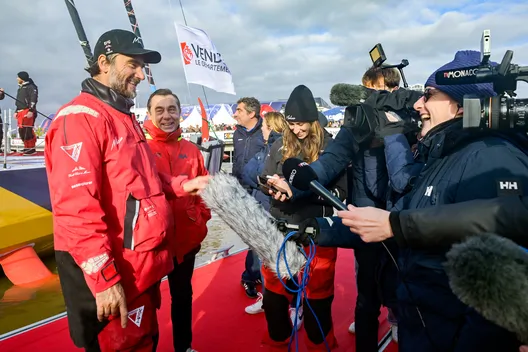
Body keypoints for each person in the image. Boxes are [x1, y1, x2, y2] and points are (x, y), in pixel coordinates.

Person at [337, 50, 528, 351]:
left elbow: (495, 303)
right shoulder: (442, 154)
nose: (417, 105)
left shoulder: (490, 158)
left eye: (428, 95)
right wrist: (323, 228)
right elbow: (409, 216)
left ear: (465, 106)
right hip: (425, 326)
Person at [45, 29, 209, 352]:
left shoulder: (122, 116)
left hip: (139, 271)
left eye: (141, 66)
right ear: (103, 63)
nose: (140, 73)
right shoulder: (80, 118)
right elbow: (76, 211)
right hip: (113, 276)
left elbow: (142, 179)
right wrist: (105, 279)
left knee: (144, 342)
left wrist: (181, 185)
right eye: (133, 64)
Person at [260, 85, 346, 350]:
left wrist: (297, 191)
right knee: (273, 296)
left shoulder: (331, 148)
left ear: (313, 120)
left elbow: (341, 193)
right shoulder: (279, 144)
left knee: (317, 298)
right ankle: (279, 338)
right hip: (278, 228)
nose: (296, 129)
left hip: (316, 232)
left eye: (301, 124)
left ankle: (320, 344)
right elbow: (263, 177)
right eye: (291, 124)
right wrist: (272, 185)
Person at [143, 88, 211, 352]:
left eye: (172, 109)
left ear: (180, 113)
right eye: (159, 110)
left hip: (186, 240)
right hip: (152, 244)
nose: (166, 116)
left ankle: (184, 347)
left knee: (182, 296)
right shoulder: (141, 149)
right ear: (149, 114)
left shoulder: (192, 150)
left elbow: (204, 192)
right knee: (147, 302)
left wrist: (200, 221)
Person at [232, 97, 265, 298]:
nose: (235, 114)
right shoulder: (237, 133)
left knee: (257, 235)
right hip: (239, 191)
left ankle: (250, 276)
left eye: (239, 110)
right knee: (250, 235)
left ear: (251, 114)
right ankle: (253, 274)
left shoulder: (265, 133)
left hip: (259, 191)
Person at [13, 72, 38, 155]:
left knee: (27, 129)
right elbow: (19, 102)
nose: (17, 79)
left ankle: (31, 148)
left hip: (28, 110)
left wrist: (31, 110)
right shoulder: (20, 87)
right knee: (21, 130)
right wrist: (16, 111)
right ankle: (26, 147)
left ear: (22, 78)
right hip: (20, 111)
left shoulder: (31, 87)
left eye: (18, 77)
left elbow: (33, 99)